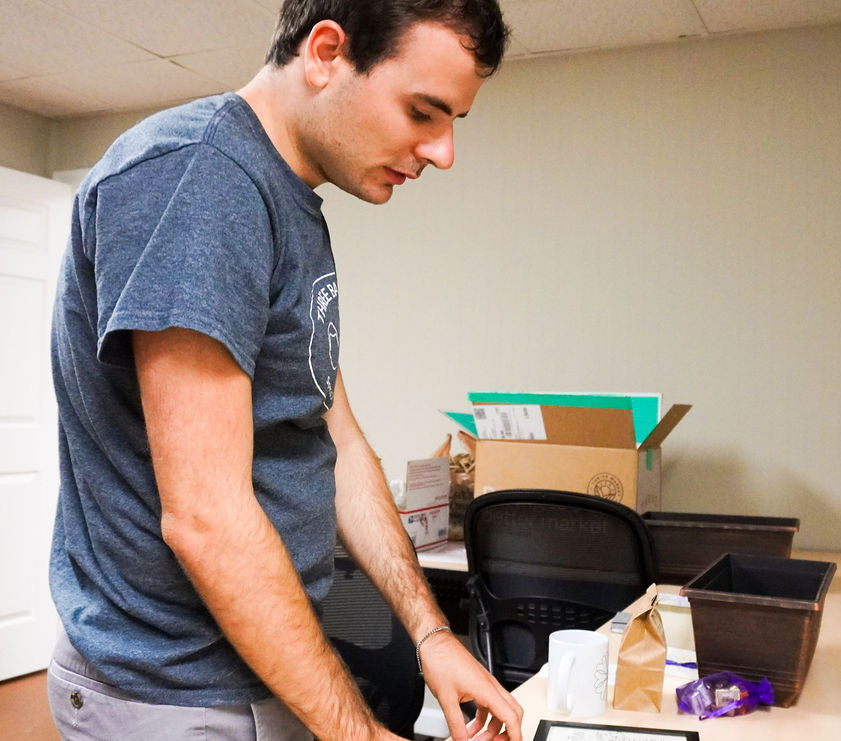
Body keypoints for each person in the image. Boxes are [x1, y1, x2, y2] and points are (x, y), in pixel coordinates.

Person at [46, 1, 523, 739]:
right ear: (327, 52)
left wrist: (431, 633)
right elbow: (206, 518)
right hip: (174, 695)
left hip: (267, 667)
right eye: (423, 111)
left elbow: (337, 442)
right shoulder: (200, 181)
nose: (443, 151)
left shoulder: (285, 201)